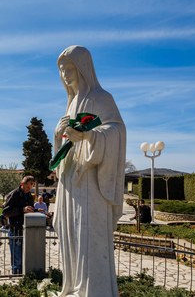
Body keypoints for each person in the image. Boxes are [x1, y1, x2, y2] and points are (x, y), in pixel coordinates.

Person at [53, 46, 126, 296]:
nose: (65, 75)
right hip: (71, 181)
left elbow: (116, 131)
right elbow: (65, 146)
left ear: (83, 69)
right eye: (62, 70)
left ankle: (93, 290)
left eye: (70, 69)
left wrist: (89, 136)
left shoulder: (101, 98)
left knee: (88, 239)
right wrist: (57, 134)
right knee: (71, 235)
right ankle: (73, 287)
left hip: (91, 183)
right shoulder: (71, 103)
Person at [2, 175, 36, 274]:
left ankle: (23, 277)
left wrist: (37, 211)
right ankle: (16, 276)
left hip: (26, 229)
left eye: (32, 186)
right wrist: (22, 210)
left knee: (25, 256)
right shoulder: (14, 194)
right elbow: (6, 212)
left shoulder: (29, 196)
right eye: (28, 186)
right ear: (22, 184)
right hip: (15, 229)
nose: (30, 188)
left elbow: (29, 209)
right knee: (17, 259)